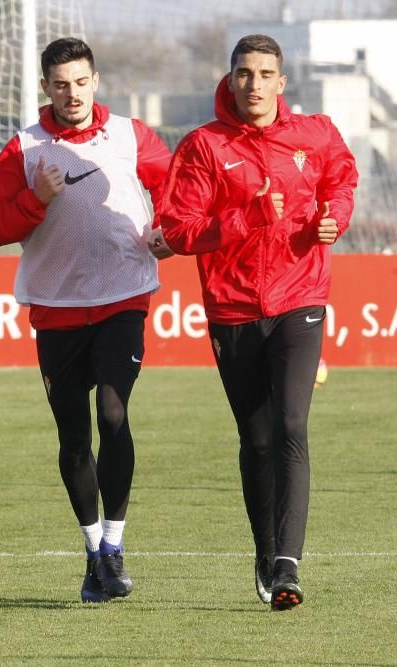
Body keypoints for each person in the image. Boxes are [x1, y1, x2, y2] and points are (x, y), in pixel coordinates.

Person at [158, 34, 357, 610]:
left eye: (265, 73)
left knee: (293, 425)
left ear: (282, 82)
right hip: (233, 308)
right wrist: (245, 215)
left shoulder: (315, 134)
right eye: (244, 73)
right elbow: (177, 230)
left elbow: (340, 182)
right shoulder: (202, 146)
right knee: (258, 437)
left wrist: (333, 219)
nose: (254, 84)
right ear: (230, 77)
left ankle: (289, 566)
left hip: (301, 298)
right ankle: (265, 550)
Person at [0, 37, 172, 603]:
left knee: (113, 411)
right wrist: (34, 200)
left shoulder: (131, 136)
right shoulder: (24, 149)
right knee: (73, 436)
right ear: (45, 88)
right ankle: (91, 553)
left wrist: (171, 233)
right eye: (61, 84)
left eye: (81, 82)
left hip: (124, 297)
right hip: (56, 312)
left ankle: (114, 543)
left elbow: (181, 189)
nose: (72, 93)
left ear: (96, 80)